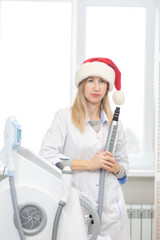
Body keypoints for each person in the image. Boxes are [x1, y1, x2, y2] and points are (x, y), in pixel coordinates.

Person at [39, 57, 130, 240]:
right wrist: (89, 164)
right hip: (76, 205)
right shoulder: (64, 117)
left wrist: (115, 167)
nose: (96, 87)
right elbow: (46, 157)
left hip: (110, 210)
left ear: (107, 87)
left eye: (102, 81)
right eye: (91, 81)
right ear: (82, 84)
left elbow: (124, 171)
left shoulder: (115, 124)